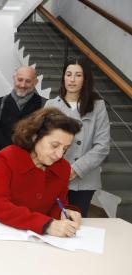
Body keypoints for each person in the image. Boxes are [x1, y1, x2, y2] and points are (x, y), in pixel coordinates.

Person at [0, 107, 83, 237]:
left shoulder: (63, 167)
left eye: (65, 149)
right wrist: (46, 225)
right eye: (55, 146)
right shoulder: (6, 158)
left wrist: (63, 212)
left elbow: (58, 203)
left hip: (34, 238)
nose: (60, 154)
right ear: (34, 137)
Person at [45, 57, 110, 217]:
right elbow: (42, 144)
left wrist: (75, 169)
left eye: (78, 75)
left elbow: (102, 146)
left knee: (77, 225)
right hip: (54, 175)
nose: (72, 79)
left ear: (85, 79)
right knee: (52, 220)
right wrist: (61, 170)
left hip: (84, 179)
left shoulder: (98, 106)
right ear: (63, 78)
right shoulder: (51, 105)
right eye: (68, 74)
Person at [0, 66, 44, 171]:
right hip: (2, 160)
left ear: (35, 82)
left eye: (28, 81)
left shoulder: (44, 105)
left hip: (32, 162)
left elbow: (44, 133)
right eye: (20, 79)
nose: (22, 85)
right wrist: (12, 150)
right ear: (14, 78)